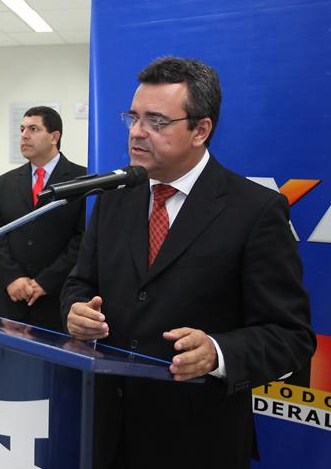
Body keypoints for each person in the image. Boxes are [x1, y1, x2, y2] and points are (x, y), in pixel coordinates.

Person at [62, 56, 316, 469]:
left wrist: (217, 352)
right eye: (133, 117)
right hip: (106, 429)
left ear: (201, 130)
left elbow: (290, 336)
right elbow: (80, 283)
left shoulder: (254, 210)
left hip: (198, 438)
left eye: (157, 121)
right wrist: (75, 311)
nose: (137, 132)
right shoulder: (113, 198)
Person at [0, 106, 87, 331]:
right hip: (12, 301)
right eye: (22, 129)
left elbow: (83, 239)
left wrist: (46, 281)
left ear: (54, 136)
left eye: (33, 129)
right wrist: (12, 278)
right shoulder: (6, 182)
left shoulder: (82, 180)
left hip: (58, 300)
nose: (24, 135)